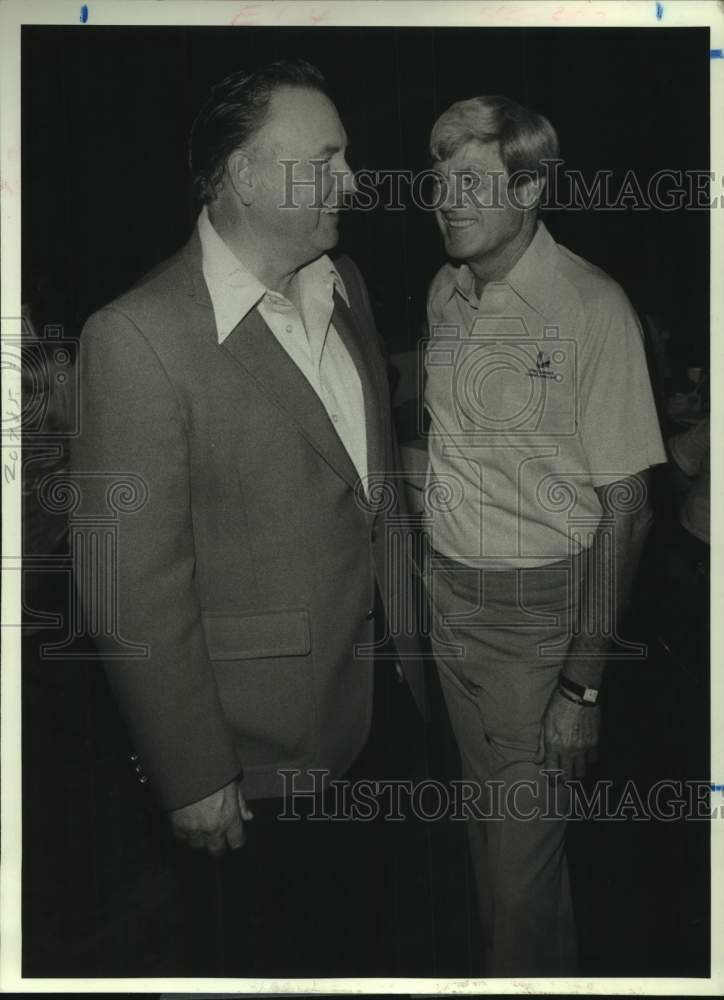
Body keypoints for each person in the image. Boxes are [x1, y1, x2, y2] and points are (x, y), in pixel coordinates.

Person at [71, 59, 427, 976]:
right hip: (255, 764)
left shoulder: (342, 280)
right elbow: (130, 585)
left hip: (381, 713)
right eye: (330, 158)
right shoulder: (138, 337)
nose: (355, 181)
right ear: (244, 176)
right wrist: (195, 776)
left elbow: (366, 494)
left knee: (366, 951)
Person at [422, 95, 667, 976]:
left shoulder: (591, 305)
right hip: (448, 607)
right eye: (440, 175)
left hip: (540, 626)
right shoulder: (444, 289)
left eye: (472, 179)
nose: (446, 197)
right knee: (491, 841)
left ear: (528, 189)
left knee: (522, 875)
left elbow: (630, 505)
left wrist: (583, 687)